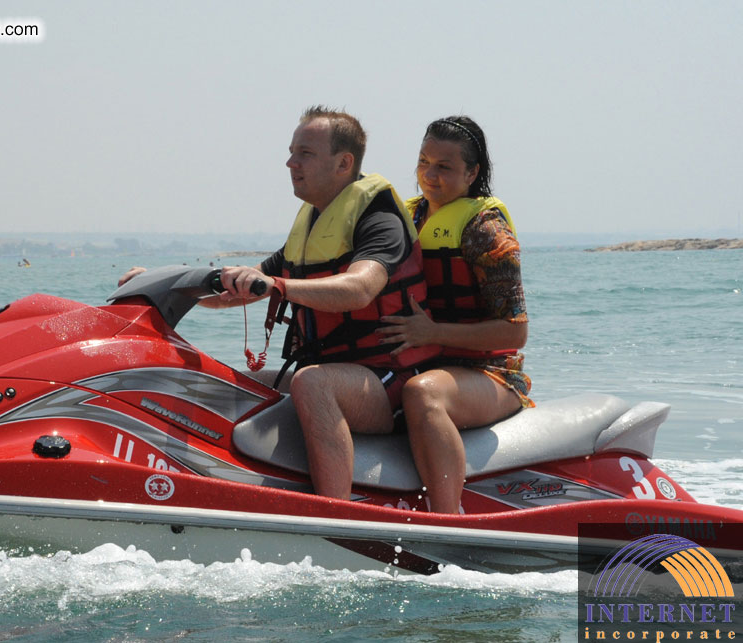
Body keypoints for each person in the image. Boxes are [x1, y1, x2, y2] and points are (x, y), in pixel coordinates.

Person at [120, 106, 439, 499]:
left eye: (305, 153)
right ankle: (223, 487)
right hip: (344, 375)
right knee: (233, 384)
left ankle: (335, 513)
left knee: (312, 382)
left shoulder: (379, 219)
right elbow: (239, 291)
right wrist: (162, 282)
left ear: (343, 163)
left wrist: (279, 286)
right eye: (291, 152)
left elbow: (360, 288)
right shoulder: (314, 221)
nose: (291, 163)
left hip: (390, 380)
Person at [378, 116, 532, 514]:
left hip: (491, 374)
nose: (429, 175)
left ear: (472, 173)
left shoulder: (487, 231)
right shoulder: (405, 218)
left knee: (423, 393)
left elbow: (514, 333)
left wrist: (431, 333)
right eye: (423, 161)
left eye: (444, 167)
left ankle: (447, 520)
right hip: (418, 359)